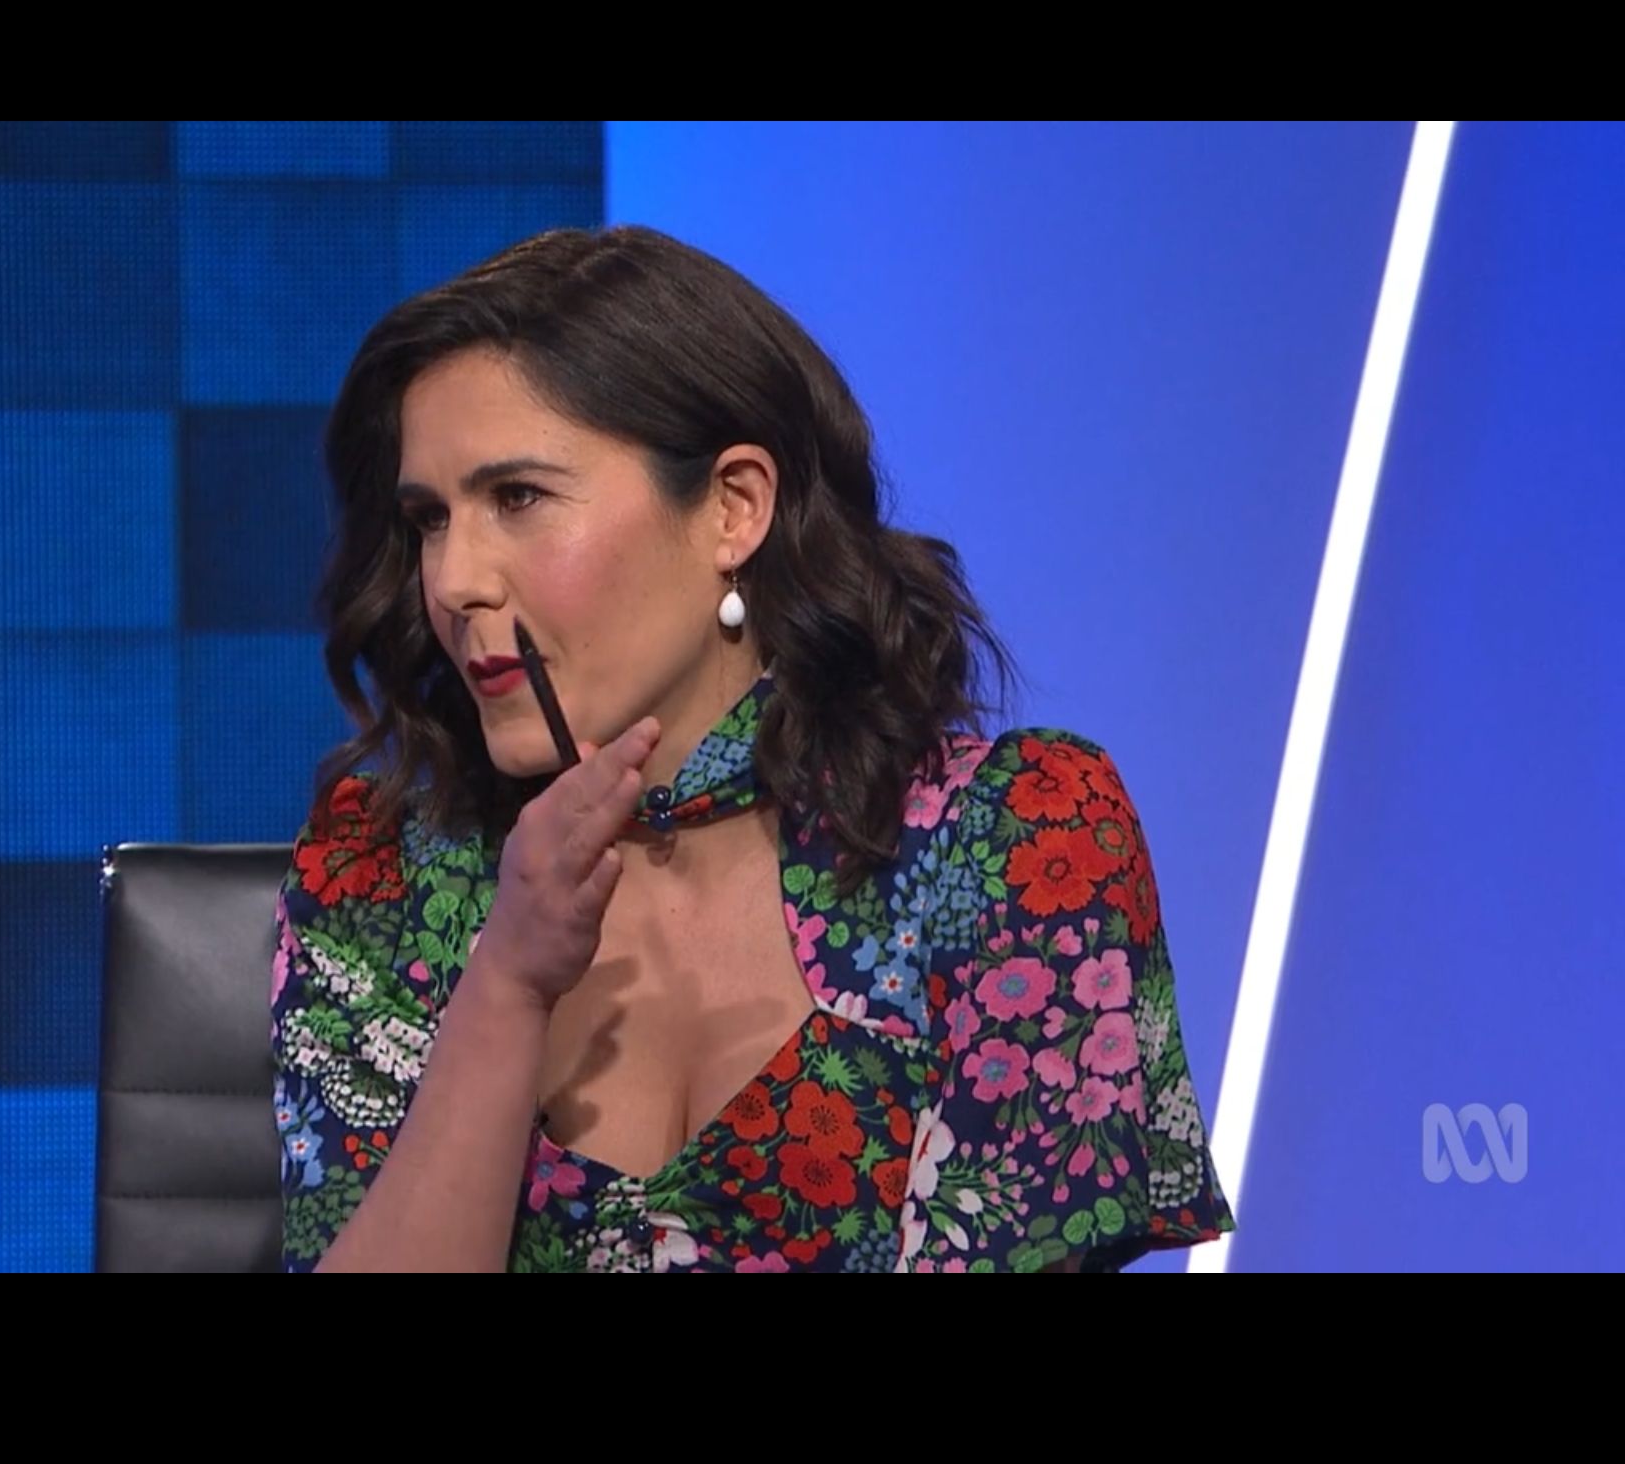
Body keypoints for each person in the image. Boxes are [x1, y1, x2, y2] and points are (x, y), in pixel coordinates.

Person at [270, 224, 1236, 1272]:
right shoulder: (382, 879)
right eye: (428, 519)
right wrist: (504, 984)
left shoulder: (1013, 843)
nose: (454, 579)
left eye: (518, 498)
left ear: (733, 509)